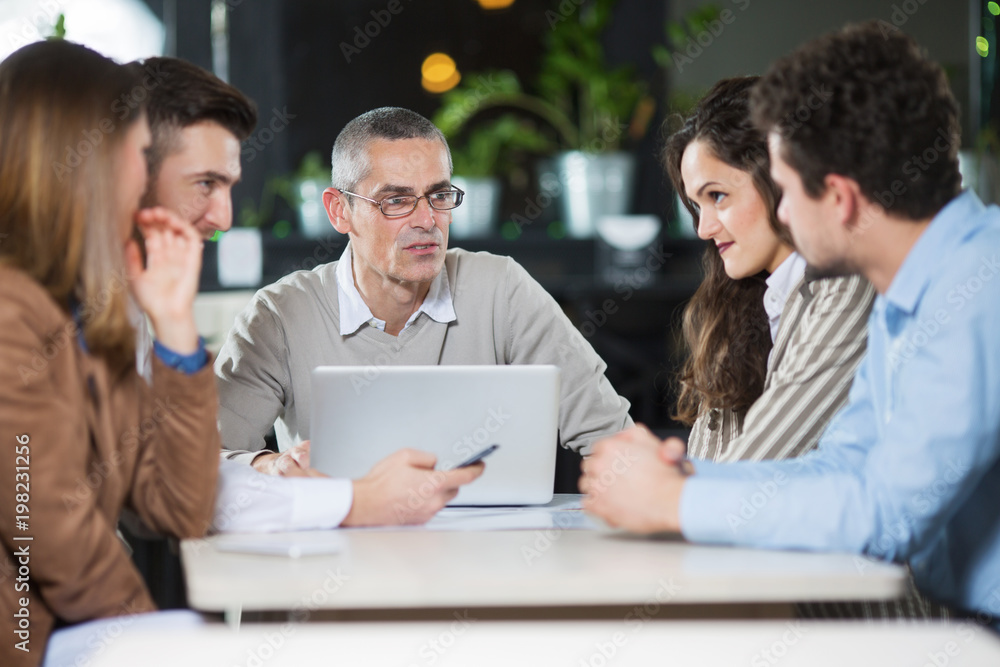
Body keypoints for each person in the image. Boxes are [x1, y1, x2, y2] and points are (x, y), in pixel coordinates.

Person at [581, 21, 1000, 630]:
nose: (782, 211)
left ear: (840, 198)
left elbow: (887, 513)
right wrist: (681, 476)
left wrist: (676, 500)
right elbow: (845, 465)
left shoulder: (976, 288)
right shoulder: (913, 291)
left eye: (784, 186)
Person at [139, 58, 482, 528]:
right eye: (204, 184)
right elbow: (161, 499)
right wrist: (355, 503)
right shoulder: (41, 315)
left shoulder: (138, 304)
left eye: (437, 196)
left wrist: (270, 469)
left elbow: (178, 480)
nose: (223, 217)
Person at [214, 107, 633, 486]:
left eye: (439, 195)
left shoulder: (501, 288)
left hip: (489, 557)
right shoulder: (280, 315)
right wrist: (269, 466)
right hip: (342, 557)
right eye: (396, 200)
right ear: (339, 210)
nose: (427, 220)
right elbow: (202, 462)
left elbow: (614, 441)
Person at [0, 41, 219, 667]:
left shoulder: (90, 316)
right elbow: (55, 537)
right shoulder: (10, 312)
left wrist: (176, 328)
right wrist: (162, 641)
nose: (146, 174)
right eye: (140, 152)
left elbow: (178, 505)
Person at [665, 76, 874, 464]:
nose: (703, 228)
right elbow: (713, 469)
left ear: (778, 180)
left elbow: (755, 468)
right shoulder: (745, 302)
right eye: (697, 205)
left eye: (718, 196)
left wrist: (664, 488)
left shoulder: (848, 281)